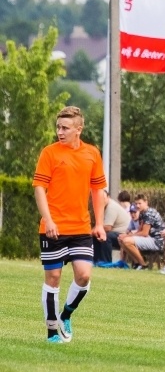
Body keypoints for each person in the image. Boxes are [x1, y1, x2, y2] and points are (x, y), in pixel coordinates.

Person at [33, 106, 106, 344]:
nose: (60, 132)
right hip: (52, 228)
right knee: (53, 277)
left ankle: (66, 315)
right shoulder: (49, 153)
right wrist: (49, 220)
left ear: (78, 129)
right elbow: (39, 189)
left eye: (65, 128)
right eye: (58, 127)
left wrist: (100, 223)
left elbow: (97, 190)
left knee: (84, 276)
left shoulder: (92, 154)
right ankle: (52, 332)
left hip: (81, 228)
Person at [119, 194, 165, 270]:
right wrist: (128, 235)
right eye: (136, 203)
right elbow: (139, 230)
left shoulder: (149, 213)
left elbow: (144, 233)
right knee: (121, 239)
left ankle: (143, 265)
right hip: (149, 238)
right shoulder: (142, 213)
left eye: (139, 203)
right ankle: (137, 264)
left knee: (127, 241)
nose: (137, 206)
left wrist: (129, 236)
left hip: (156, 241)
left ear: (146, 202)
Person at [93, 189, 130, 263]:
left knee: (106, 236)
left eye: (103, 198)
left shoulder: (111, 207)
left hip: (123, 234)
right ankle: (97, 261)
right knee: (96, 235)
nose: (101, 200)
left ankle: (106, 261)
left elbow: (107, 227)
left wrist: (91, 231)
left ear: (108, 197)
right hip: (115, 233)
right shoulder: (103, 207)